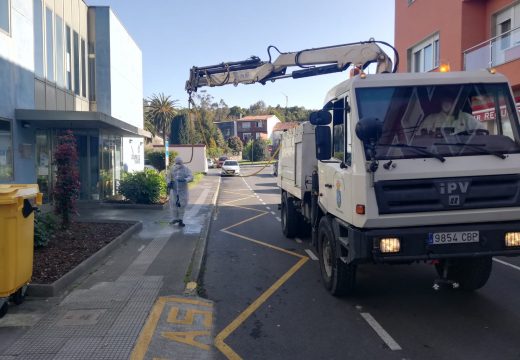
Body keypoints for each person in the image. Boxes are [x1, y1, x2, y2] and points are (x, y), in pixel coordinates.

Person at [417, 96, 486, 136]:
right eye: (444, 100)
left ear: (455, 102)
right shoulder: (431, 118)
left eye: (449, 100)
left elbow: (483, 132)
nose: (446, 103)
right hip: (436, 153)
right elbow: (418, 137)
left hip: (464, 154)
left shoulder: (466, 117)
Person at [167, 156, 193, 227]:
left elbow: (191, 177)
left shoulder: (186, 169)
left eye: (179, 163)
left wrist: (185, 180)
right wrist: (169, 183)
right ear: (175, 162)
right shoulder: (172, 168)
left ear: (182, 162)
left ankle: (181, 220)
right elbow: (168, 177)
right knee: (173, 205)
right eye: (177, 163)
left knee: (182, 205)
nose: (178, 164)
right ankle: (175, 219)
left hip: (183, 191)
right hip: (174, 190)